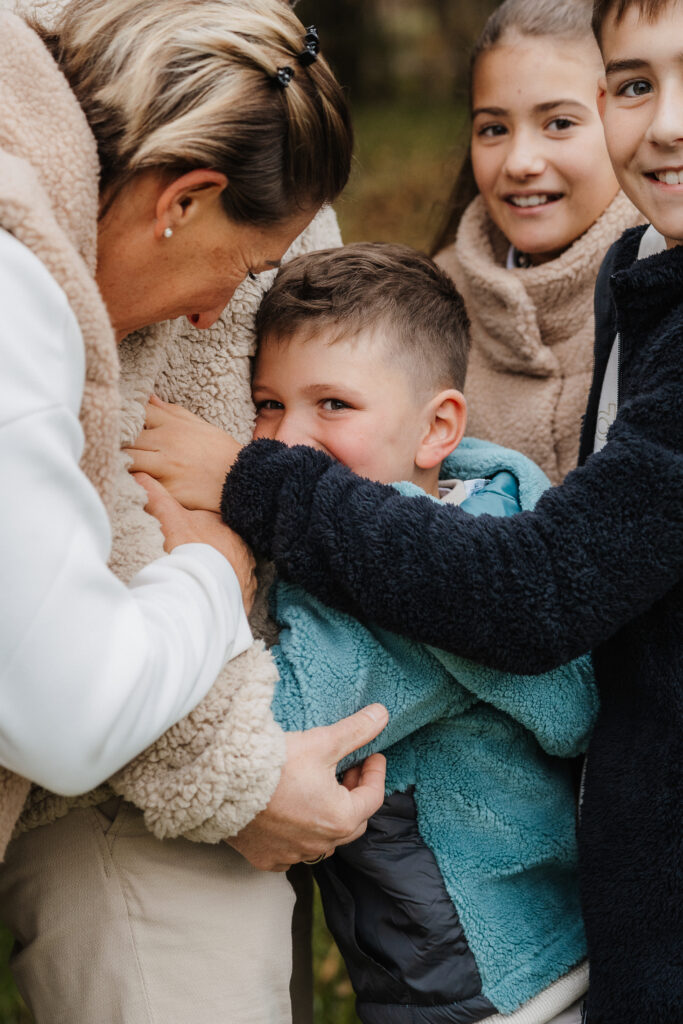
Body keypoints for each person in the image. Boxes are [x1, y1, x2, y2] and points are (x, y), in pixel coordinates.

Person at [209, 2, 683, 1022]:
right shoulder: (632, 283)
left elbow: (537, 594)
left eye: (558, 120)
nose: (664, 122)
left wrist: (240, 492)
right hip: (574, 890)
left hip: (490, 952)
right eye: (636, 84)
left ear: (440, 427)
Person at [0, 3, 387, 1022]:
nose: (221, 315)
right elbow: (69, 701)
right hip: (116, 748)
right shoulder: (18, 283)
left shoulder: (250, 100)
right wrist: (216, 569)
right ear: (184, 200)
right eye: (243, 270)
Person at [132, 242, 598, 1024]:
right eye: (268, 404)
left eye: (333, 405)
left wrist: (205, 570)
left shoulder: (392, 614)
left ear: (436, 427)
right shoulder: (488, 500)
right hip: (534, 954)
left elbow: (273, 730)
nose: (282, 441)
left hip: (488, 985)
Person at [433, 0, 643, 484]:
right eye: (494, 129)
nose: (520, 161)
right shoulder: (424, 306)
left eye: (559, 123)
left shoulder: (661, 288)